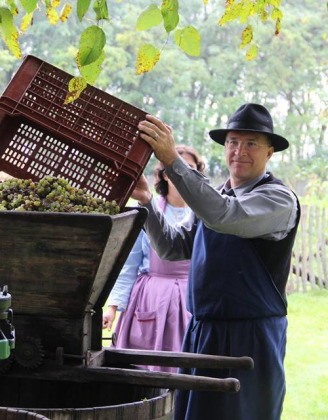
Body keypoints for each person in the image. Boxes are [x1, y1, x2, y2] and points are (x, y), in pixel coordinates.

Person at [133, 103, 299, 420]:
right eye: (233, 142)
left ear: (270, 153)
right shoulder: (216, 196)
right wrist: (147, 203)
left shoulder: (278, 199)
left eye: (251, 143)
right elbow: (171, 246)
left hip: (251, 335)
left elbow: (223, 216)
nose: (239, 151)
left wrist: (171, 160)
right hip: (201, 330)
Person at [103, 145, 205, 373]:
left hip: (190, 298)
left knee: (186, 363)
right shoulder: (149, 211)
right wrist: (113, 307)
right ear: (166, 175)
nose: (182, 173)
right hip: (150, 297)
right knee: (144, 365)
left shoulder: (204, 214)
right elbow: (130, 262)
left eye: (189, 168)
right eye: (176, 168)